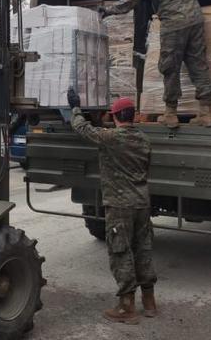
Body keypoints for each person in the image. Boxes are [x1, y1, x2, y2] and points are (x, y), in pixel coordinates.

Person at [67, 87, 157, 324]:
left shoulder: (111, 139)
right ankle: (149, 302)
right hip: (141, 203)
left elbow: (82, 129)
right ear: (134, 116)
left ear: (115, 116)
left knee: (121, 252)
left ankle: (127, 306)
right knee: (143, 250)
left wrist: (75, 107)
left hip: (119, 206)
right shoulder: (144, 140)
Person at [100, 0, 211, 127]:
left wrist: (110, 10)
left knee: (169, 67)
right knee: (198, 63)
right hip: (196, 20)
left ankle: (170, 113)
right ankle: (206, 112)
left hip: (173, 24)